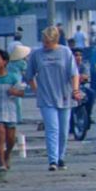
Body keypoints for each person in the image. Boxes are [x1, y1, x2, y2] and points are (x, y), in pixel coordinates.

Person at [19, 27, 82, 171]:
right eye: (43, 41)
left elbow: (74, 74)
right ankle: (52, 160)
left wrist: (75, 89)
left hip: (64, 96)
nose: (44, 45)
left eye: (47, 42)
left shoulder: (65, 52)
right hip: (46, 97)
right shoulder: (37, 54)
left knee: (63, 130)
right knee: (52, 129)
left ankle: (61, 157)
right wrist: (36, 91)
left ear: (55, 41)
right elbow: (29, 76)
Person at [72, 48, 96, 127]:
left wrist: (81, 77)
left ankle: (88, 115)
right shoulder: (68, 65)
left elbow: (86, 76)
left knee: (91, 94)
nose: (78, 57)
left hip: (81, 87)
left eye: (80, 55)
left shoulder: (83, 65)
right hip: (70, 88)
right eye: (76, 55)